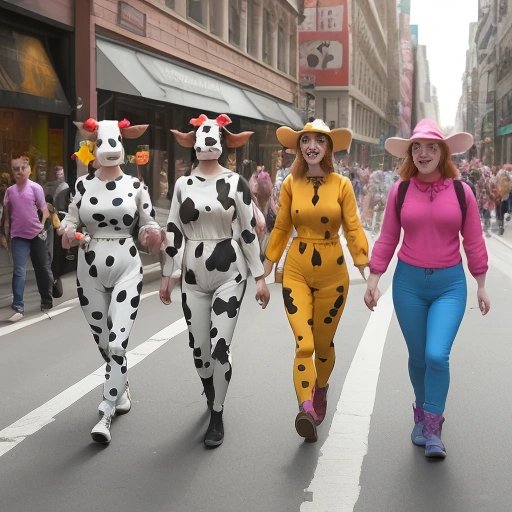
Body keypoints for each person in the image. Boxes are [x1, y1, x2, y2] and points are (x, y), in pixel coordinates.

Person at [364, 118, 491, 459]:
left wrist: (481, 284)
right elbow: (388, 237)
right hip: (408, 285)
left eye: (431, 147)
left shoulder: (462, 192)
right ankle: (421, 412)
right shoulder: (400, 190)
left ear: (443, 151)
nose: (423, 153)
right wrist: (374, 279)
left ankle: (433, 425)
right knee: (418, 357)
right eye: (417, 147)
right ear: (410, 153)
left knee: (437, 354)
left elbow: (474, 240)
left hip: (450, 285)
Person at [160, 113, 270, 448]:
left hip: (229, 273)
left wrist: (260, 277)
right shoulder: (181, 185)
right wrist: (167, 275)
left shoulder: (236, 183)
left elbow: (249, 230)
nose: (207, 142)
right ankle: (210, 392)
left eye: (214, 137)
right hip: (192, 275)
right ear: (192, 143)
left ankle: (217, 412)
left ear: (224, 143)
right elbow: (173, 231)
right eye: (202, 137)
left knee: (220, 347)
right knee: (199, 349)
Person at [262, 119, 369, 443]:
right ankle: (306, 407)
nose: (311, 146)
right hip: (296, 269)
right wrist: (262, 274)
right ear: (299, 148)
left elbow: (352, 228)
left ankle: (320, 388)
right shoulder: (291, 184)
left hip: (334, 276)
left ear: (328, 148)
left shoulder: (342, 185)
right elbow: (280, 228)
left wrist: (367, 270)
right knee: (304, 344)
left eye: (318, 141)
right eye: (305, 140)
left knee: (322, 345)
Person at [59, 118, 162, 444]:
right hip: (88, 269)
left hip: (127, 267)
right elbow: (69, 223)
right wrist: (68, 233)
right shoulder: (81, 186)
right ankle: (122, 384)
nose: (111, 148)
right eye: (104, 141)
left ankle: (106, 410)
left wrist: (152, 234)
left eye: (115, 140)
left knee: (117, 342)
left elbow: (149, 224)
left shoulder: (135, 186)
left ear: (123, 143)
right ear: (94, 145)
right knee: (105, 343)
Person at [0, 152, 54, 322]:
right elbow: (7, 216)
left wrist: (42, 226)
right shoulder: (9, 192)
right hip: (18, 237)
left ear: (29, 169)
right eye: (16, 169)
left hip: (37, 235)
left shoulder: (35, 188)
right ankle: (18, 305)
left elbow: (44, 210)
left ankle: (47, 298)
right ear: (12, 171)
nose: (20, 171)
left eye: (23, 168)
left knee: (42, 269)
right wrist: (5, 234)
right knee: (19, 271)